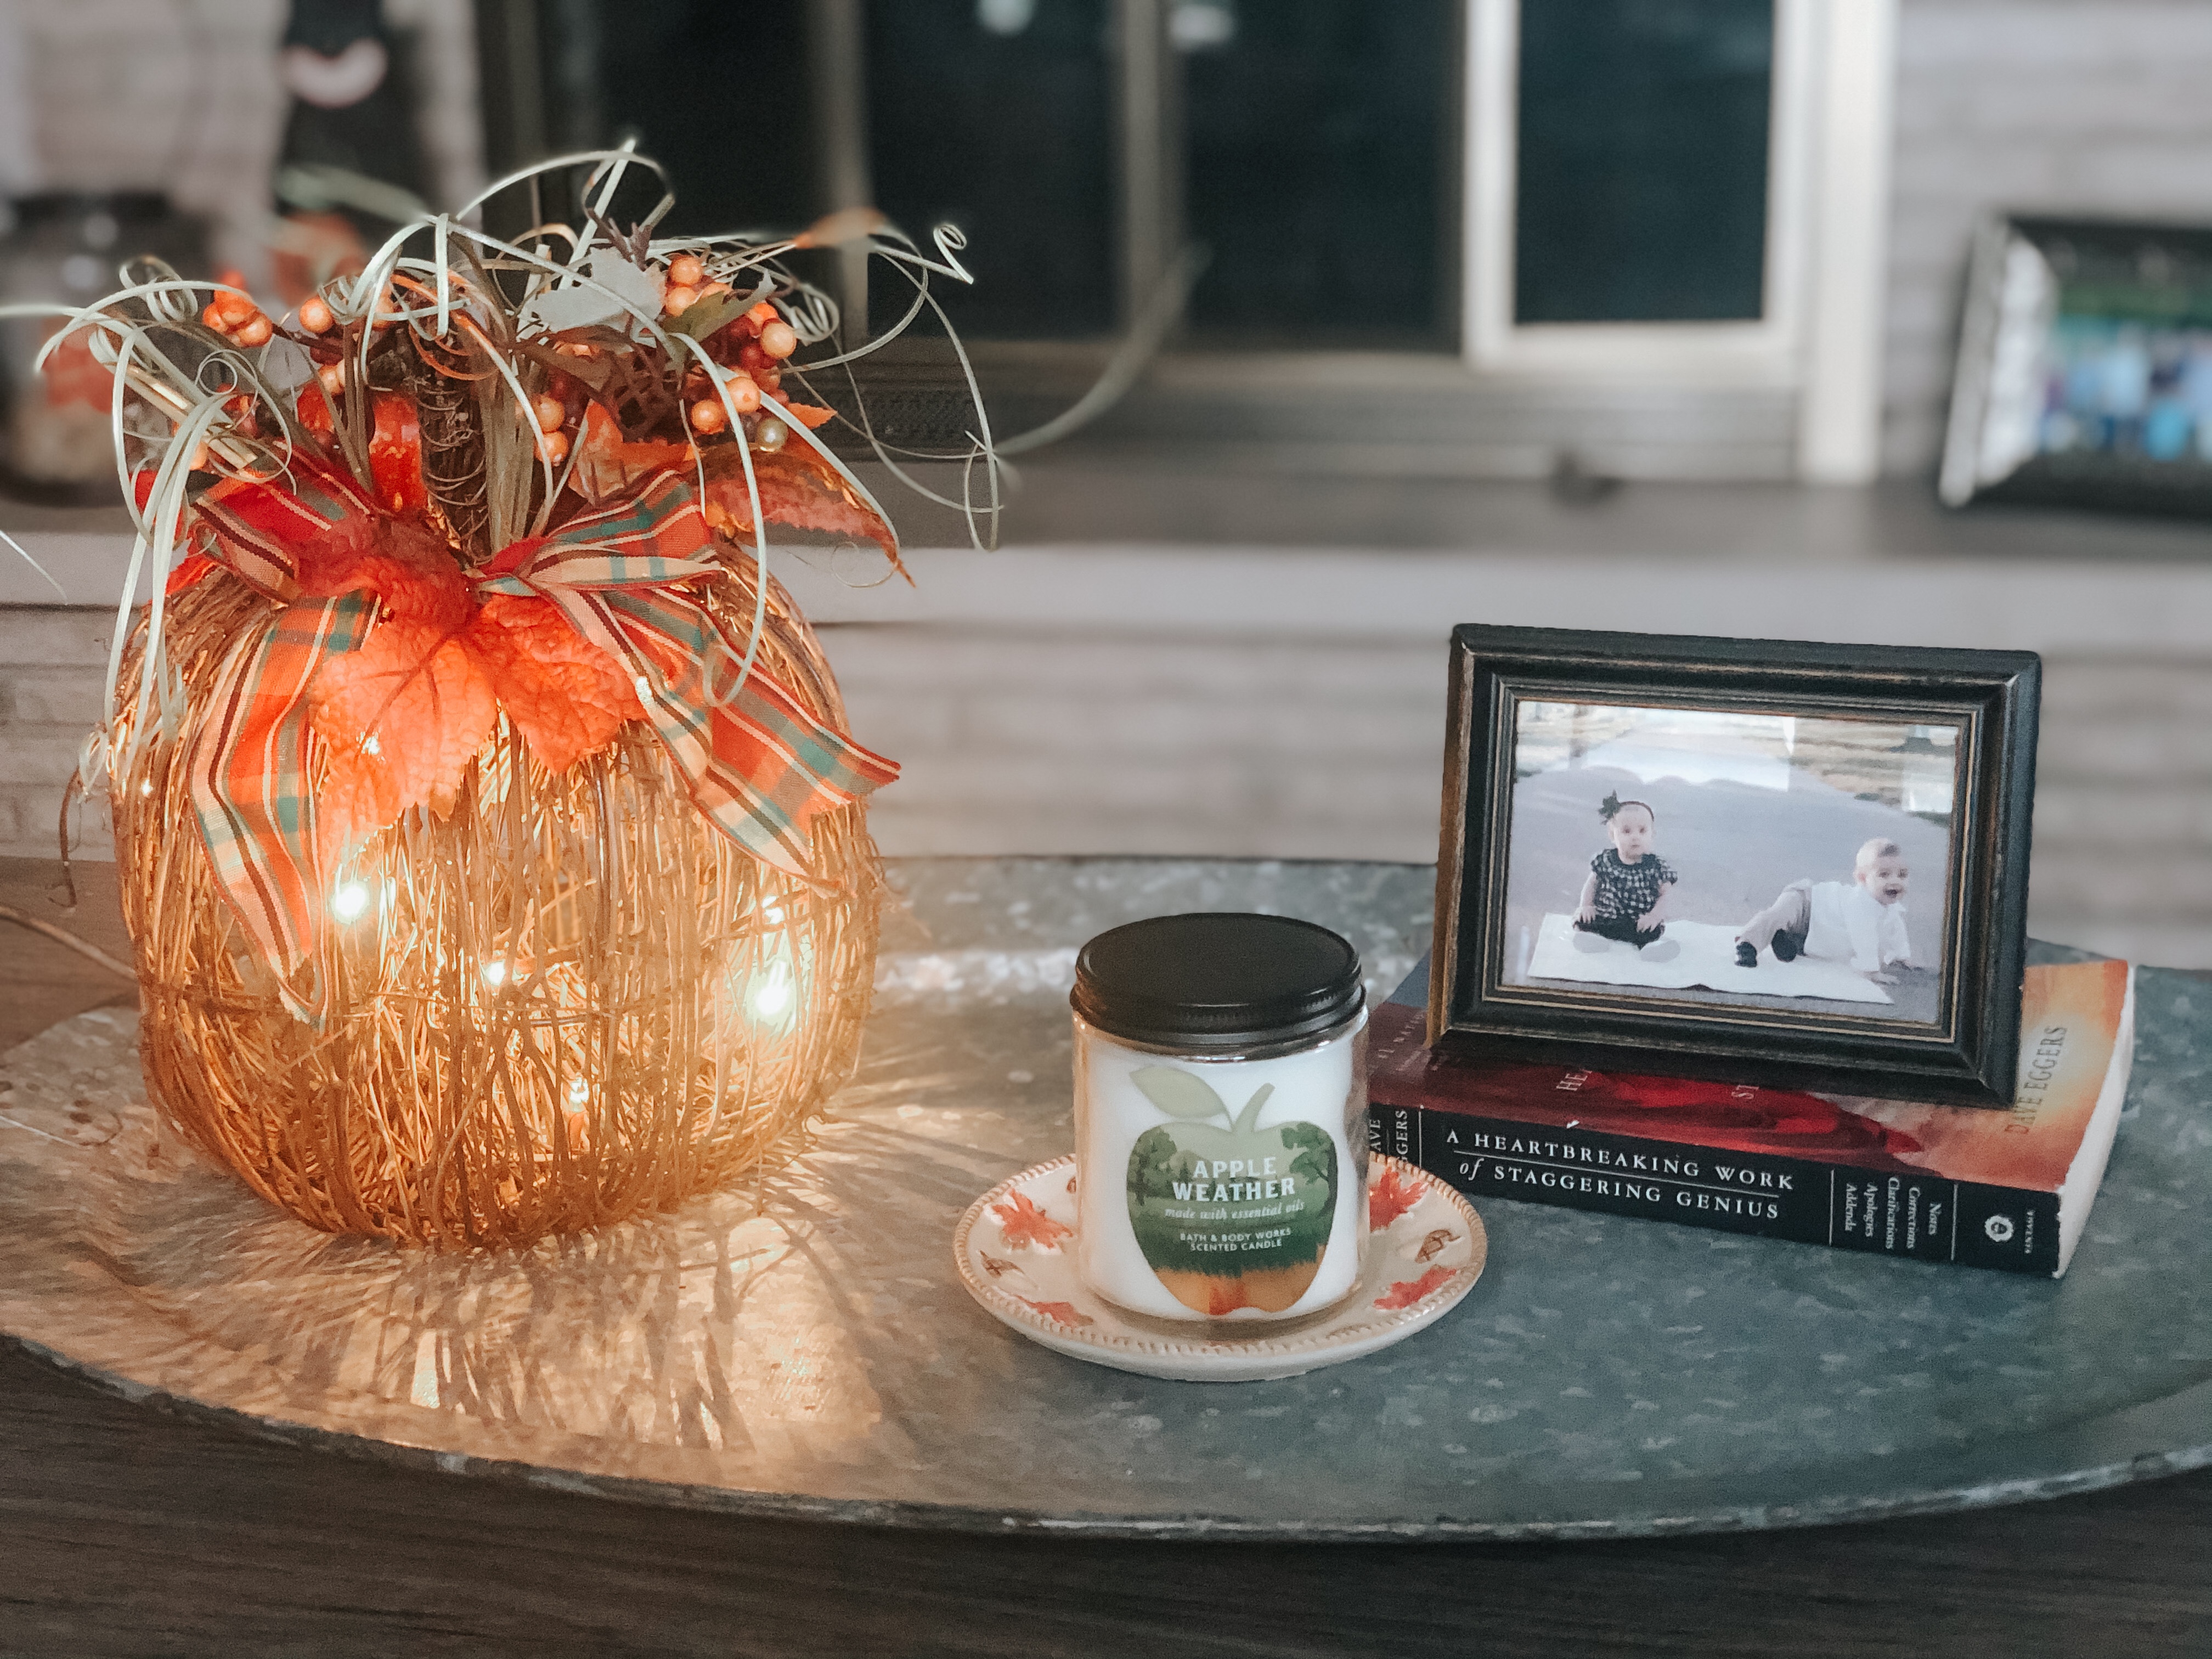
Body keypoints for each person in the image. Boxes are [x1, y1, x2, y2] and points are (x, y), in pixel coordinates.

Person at [1734, 837, 1913, 980]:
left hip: (1815, 932)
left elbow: (1896, 931)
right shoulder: (1860, 903)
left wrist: (1901, 956)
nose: (1895, 881)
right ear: (1862, 879)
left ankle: (1785, 938)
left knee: (1810, 948)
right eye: (1884, 875)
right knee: (1778, 917)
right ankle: (1747, 944)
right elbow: (1864, 936)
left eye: (1902, 875)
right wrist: (1870, 970)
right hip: (1807, 903)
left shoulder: (1891, 909)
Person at [1573, 793, 1680, 962]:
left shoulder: (1656, 866)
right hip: (1606, 917)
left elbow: (1666, 894)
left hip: (1639, 922)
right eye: (1627, 831)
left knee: (1650, 931)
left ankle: (1651, 949)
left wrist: (1654, 916)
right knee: (1585, 921)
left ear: (1652, 835)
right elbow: (1592, 883)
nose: (1635, 837)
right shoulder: (1605, 860)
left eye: (1642, 831)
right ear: (1612, 835)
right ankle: (1592, 940)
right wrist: (1586, 906)